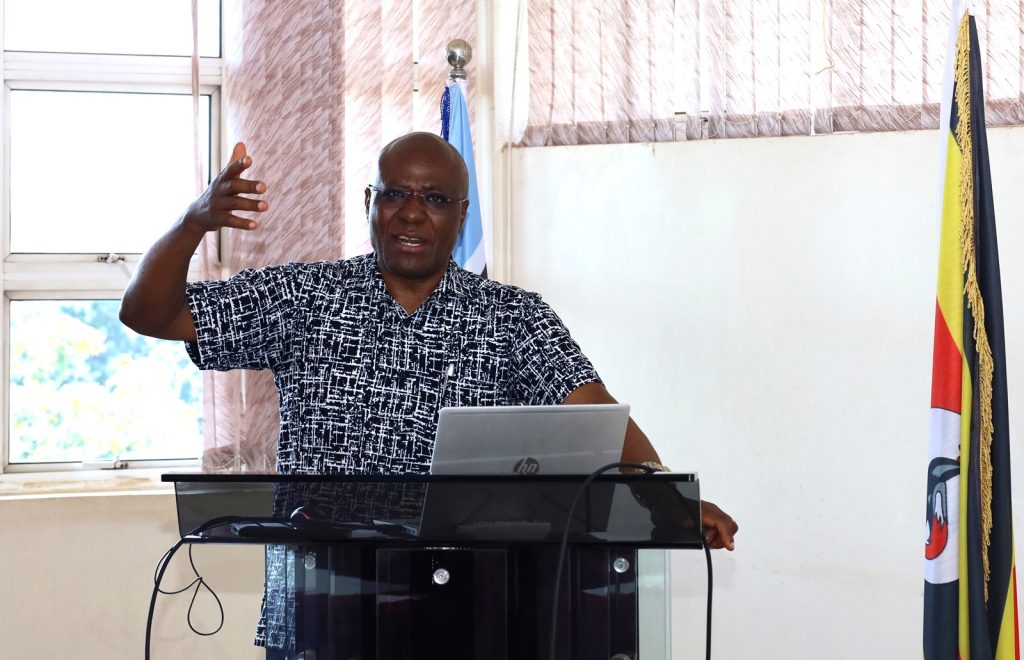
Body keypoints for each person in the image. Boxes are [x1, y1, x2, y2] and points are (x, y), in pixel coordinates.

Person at [121, 131, 737, 647]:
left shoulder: (511, 316)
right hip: (326, 600)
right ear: (370, 202)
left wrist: (667, 500)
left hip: (474, 610)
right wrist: (193, 223)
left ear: (462, 215)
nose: (412, 212)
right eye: (395, 194)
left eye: (435, 198)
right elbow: (149, 314)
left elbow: (595, 416)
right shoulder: (303, 299)